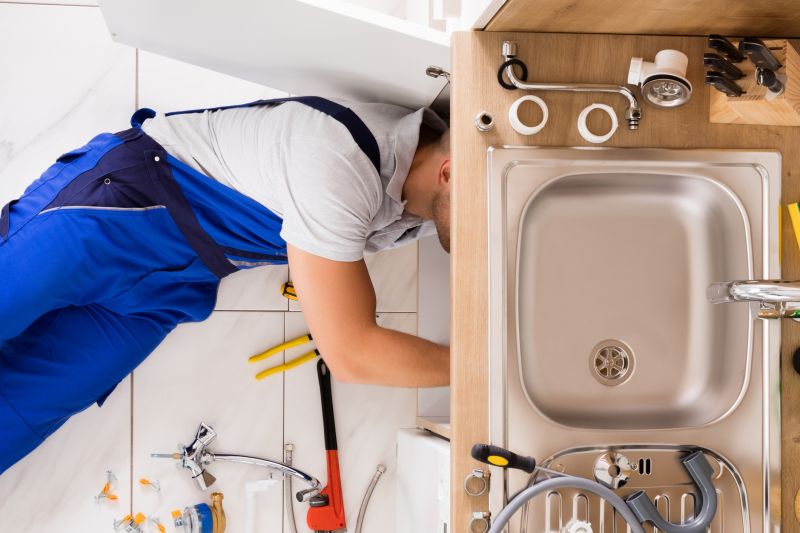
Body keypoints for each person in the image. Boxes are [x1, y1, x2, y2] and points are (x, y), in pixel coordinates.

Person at [0, 96, 451, 475]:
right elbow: (351, 352)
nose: (491, 226)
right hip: (109, 216)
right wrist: (480, 370)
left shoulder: (427, 199)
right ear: (448, 174)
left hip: (168, 288)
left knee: (16, 418)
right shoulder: (339, 158)